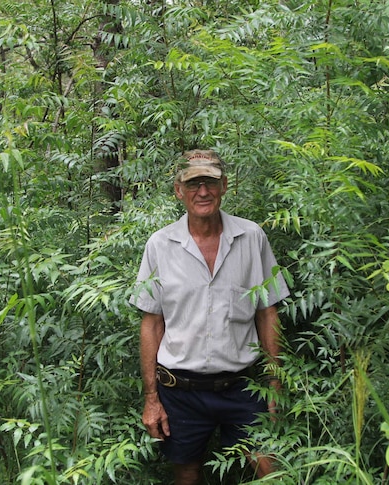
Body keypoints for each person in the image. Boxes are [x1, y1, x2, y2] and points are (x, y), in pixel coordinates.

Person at [130, 149, 290, 484]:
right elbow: (152, 323)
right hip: (180, 390)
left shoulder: (251, 237)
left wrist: (274, 386)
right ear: (179, 190)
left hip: (243, 386)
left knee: (268, 468)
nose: (203, 192)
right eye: (194, 184)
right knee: (187, 472)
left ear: (225, 186)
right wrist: (151, 400)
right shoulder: (160, 245)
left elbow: (267, 313)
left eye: (211, 182)